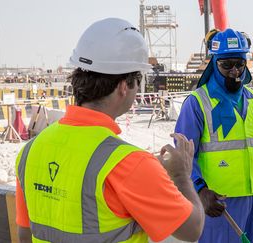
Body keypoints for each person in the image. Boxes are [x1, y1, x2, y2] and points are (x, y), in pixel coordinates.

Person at [15, 18, 204, 243]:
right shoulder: (130, 164)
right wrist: (182, 176)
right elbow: (192, 229)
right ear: (124, 86)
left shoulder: (31, 151)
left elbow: (25, 234)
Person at [175, 28, 253, 243]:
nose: (235, 72)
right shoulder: (197, 103)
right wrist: (200, 190)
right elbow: (182, 157)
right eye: (226, 65)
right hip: (217, 206)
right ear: (214, 64)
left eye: (240, 65)